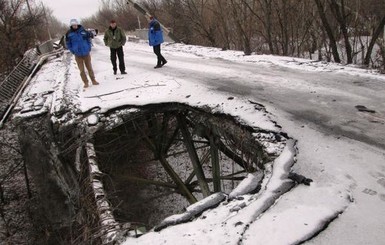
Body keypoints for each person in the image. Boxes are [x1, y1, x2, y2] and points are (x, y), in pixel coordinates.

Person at [66, 19, 99, 88]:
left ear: (77, 24)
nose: (75, 26)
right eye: (73, 25)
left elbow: (88, 39)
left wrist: (89, 47)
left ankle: (93, 80)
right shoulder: (69, 34)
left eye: (75, 25)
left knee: (89, 68)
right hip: (77, 54)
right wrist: (72, 50)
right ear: (71, 26)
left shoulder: (83, 31)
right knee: (81, 70)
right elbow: (68, 44)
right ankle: (85, 82)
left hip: (86, 53)